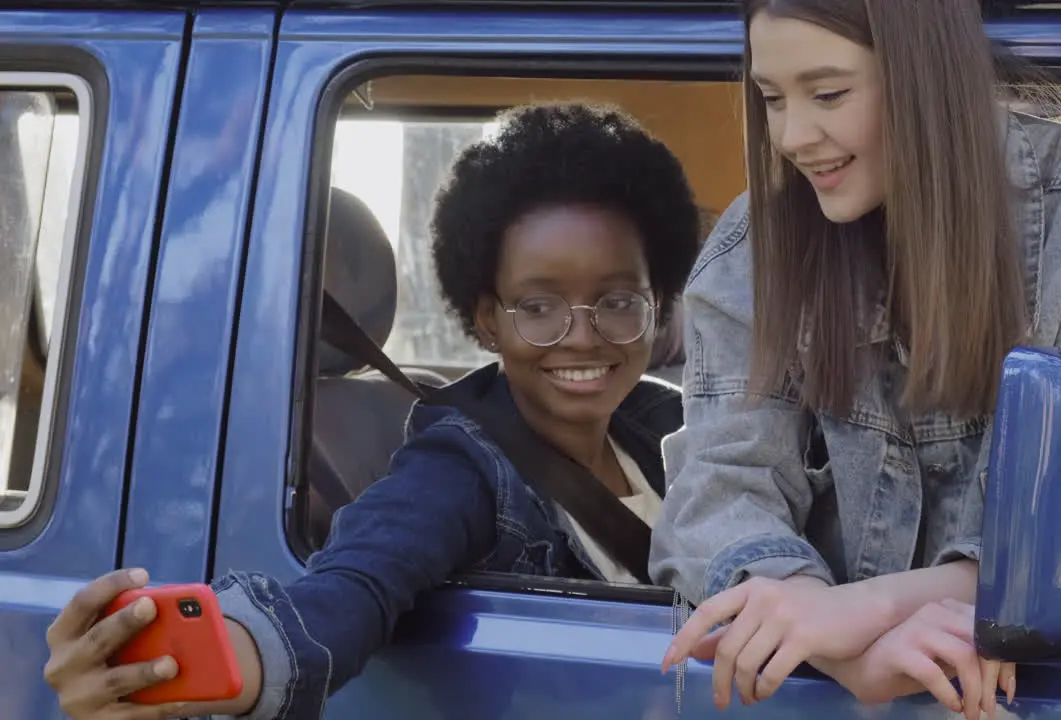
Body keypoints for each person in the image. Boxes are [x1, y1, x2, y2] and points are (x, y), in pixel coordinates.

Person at [42, 102, 702, 720]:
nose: (582, 335)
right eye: (538, 307)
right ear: (486, 319)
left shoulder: (663, 425)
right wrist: (174, 671)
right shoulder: (460, 470)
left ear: (657, 303)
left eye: (617, 300)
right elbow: (347, 592)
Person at [651, 0, 1061, 717]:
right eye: (770, 98)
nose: (791, 135)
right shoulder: (754, 245)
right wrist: (841, 646)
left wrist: (851, 613)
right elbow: (716, 491)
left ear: (923, 76)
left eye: (828, 95)